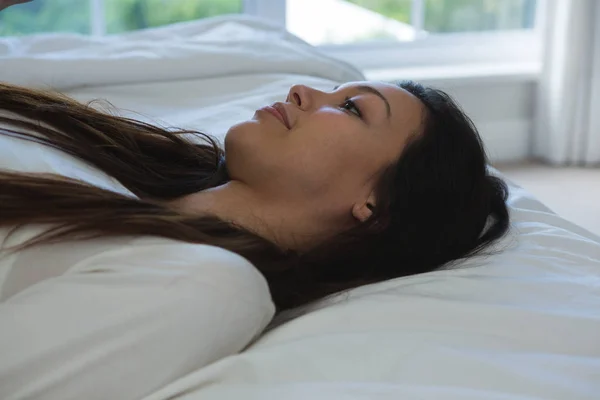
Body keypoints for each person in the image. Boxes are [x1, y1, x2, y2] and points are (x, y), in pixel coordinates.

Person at [0, 80, 509, 398]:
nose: (300, 91)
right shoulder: (121, 165)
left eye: (352, 108)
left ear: (376, 208)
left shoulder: (207, 287)